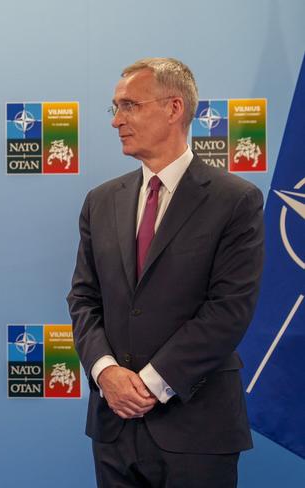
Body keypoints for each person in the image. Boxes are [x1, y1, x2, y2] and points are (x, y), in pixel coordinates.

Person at [67, 58, 264, 487]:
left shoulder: (236, 201)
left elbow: (229, 310)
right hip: (113, 427)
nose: (117, 120)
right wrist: (106, 372)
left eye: (130, 106)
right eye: (114, 108)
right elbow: (83, 298)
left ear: (174, 108)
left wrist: (150, 385)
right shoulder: (101, 201)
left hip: (197, 427)